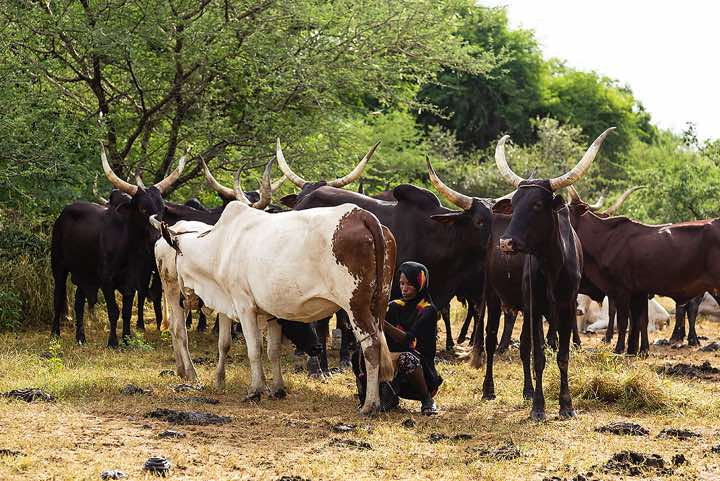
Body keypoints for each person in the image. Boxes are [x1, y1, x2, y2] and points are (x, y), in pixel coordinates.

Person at [352, 261, 442, 415]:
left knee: (407, 359)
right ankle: (381, 395)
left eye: (410, 284)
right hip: (395, 372)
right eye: (401, 283)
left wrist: (381, 321)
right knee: (359, 354)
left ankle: (427, 400)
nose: (404, 288)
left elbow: (408, 341)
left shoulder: (428, 310)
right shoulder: (394, 306)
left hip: (421, 373)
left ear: (420, 284)